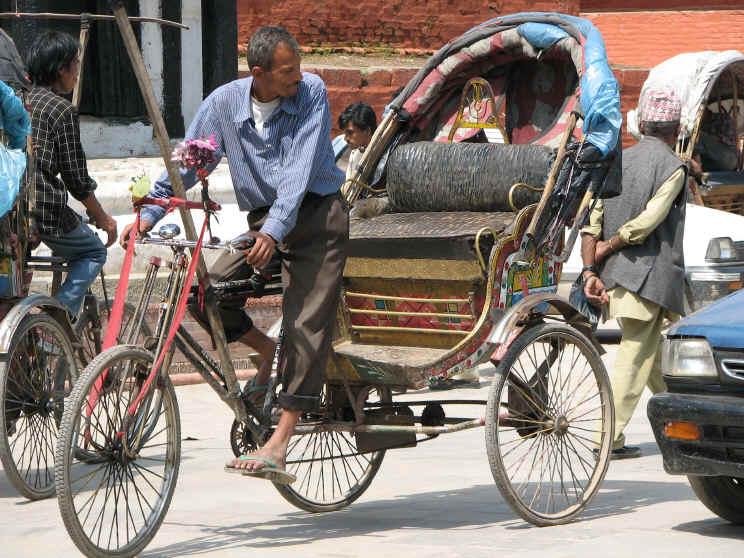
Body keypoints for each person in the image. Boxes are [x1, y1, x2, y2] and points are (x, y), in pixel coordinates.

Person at [119, 26, 348, 483]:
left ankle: (280, 442)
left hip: (318, 219)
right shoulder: (224, 103)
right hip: (264, 223)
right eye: (287, 72)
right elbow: (190, 162)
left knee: (305, 320)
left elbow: (299, 171)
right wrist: (151, 212)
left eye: (298, 67)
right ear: (258, 73)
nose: (298, 77)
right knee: (206, 293)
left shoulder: (312, 93)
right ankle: (266, 354)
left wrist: (276, 230)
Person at [581, 87, 687, 460]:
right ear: (677, 128)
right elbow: (647, 223)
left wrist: (591, 266)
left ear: (641, 124)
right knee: (635, 356)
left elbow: (592, 219)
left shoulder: (617, 161)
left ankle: (685, 424)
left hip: (617, 277)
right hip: (648, 276)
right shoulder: (673, 166)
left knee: (656, 360)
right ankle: (605, 436)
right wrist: (611, 246)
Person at [26, 31, 117, 318]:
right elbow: (76, 179)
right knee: (92, 252)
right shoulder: (61, 109)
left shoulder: (18, 99)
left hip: (14, 209)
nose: (77, 73)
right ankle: (57, 322)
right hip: (44, 210)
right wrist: (103, 218)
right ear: (61, 69)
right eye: (75, 66)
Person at [338, 101, 376, 182]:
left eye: (350, 132)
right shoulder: (355, 154)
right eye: (345, 133)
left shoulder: (381, 159)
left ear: (367, 131)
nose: (346, 139)